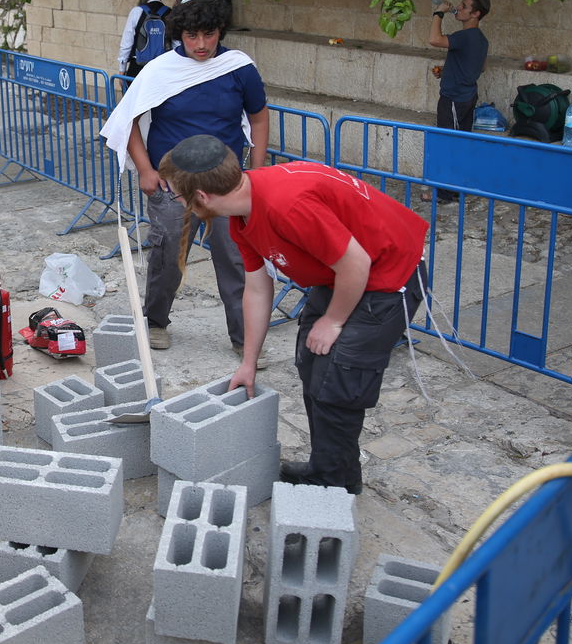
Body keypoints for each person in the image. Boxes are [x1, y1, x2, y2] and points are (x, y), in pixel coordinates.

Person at [157, 134, 429, 494]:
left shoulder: (286, 205)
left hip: (386, 277)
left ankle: (331, 486)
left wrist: (333, 322)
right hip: (340, 274)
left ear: (202, 197)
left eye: (178, 195)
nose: (179, 203)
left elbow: (356, 263)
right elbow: (256, 288)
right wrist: (248, 363)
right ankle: (333, 469)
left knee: (340, 381)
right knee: (312, 364)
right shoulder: (242, 212)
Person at [101, 0, 269, 353]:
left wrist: (257, 173)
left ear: (220, 31)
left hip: (227, 182)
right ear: (181, 35)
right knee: (167, 254)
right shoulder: (159, 70)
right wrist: (145, 170)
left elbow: (258, 116)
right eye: (192, 36)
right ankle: (156, 321)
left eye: (209, 34)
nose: (202, 44)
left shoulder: (239, 67)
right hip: (171, 181)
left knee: (235, 256)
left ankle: (244, 339)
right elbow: (126, 118)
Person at [427, 0, 490, 132]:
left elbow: (434, 39)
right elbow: (482, 67)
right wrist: (448, 71)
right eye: (460, 4)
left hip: (454, 98)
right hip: (469, 97)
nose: (458, 7)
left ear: (475, 14)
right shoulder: (482, 39)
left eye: (464, 6)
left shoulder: (464, 36)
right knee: (462, 137)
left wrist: (438, 12)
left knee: (448, 139)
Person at [117, 0, 171, 77]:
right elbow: (176, 44)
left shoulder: (137, 11)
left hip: (138, 68)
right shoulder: (169, 13)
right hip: (163, 68)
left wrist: (122, 70)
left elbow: (126, 43)